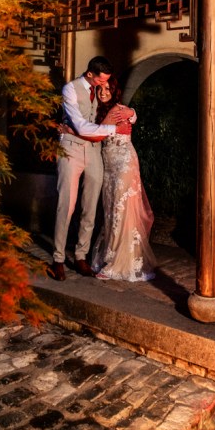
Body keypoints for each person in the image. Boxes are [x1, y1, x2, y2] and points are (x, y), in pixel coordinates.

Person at [49, 56, 133, 281]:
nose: (103, 85)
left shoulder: (99, 91)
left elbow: (120, 111)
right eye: (100, 81)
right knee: (66, 205)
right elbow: (80, 125)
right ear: (90, 74)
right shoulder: (70, 89)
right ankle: (58, 259)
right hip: (71, 150)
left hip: (94, 151)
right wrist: (113, 130)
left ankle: (81, 256)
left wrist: (131, 114)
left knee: (90, 207)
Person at [90, 77, 157, 282]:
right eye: (100, 89)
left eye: (107, 89)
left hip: (124, 164)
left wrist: (132, 112)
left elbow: (100, 131)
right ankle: (115, 256)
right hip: (109, 165)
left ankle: (116, 263)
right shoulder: (98, 110)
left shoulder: (118, 109)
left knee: (121, 210)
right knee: (111, 210)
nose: (103, 92)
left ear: (114, 91)